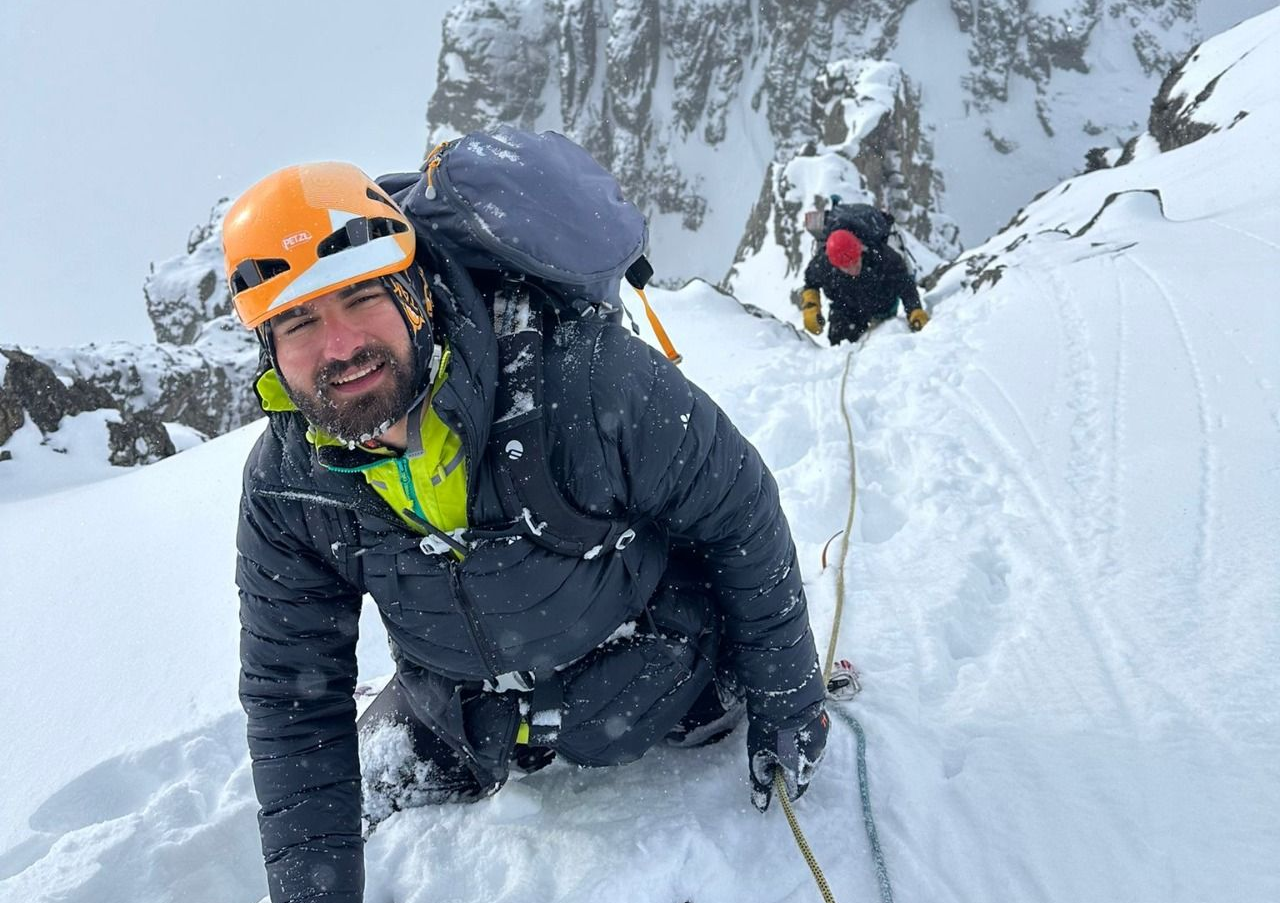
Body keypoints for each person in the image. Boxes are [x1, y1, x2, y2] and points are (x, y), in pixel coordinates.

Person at [226, 161, 829, 903]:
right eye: (299, 321)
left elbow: (739, 509)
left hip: (653, 683)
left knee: (709, 681)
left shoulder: (580, 378)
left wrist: (789, 698)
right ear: (270, 351)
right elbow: (293, 693)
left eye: (361, 297)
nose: (341, 344)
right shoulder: (289, 485)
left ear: (415, 294)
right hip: (459, 716)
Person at [801, 225, 930, 343]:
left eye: (856, 261)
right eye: (846, 267)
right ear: (835, 265)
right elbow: (811, 283)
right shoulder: (823, 265)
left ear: (860, 251)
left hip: (882, 303)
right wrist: (811, 306)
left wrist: (914, 310)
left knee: (885, 339)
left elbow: (904, 283)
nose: (853, 269)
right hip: (847, 307)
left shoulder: (882, 256)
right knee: (839, 342)